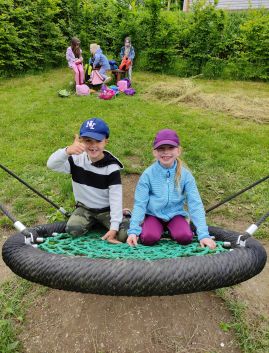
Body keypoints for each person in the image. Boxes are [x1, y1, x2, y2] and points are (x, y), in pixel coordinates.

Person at [127, 129, 216, 249]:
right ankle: (148, 226)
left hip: (175, 215)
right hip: (153, 215)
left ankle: (175, 229)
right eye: (161, 149)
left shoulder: (186, 175)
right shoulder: (148, 175)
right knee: (148, 238)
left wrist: (204, 235)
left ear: (178, 151)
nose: (166, 152)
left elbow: (195, 203)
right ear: (154, 152)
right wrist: (133, 231)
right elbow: (140, 204)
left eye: (170, 148)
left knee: (185, 237)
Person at [47, 118, 129, 243]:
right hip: (85, 208)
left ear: (106, 141)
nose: (93, 145)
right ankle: (95, 223)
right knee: (73, 230)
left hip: (107, 210)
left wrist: (114, 227)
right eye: (88, 141)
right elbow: (51, 164)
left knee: (124, 235)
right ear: (81, 141)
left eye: (98, 141)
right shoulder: (76, 160)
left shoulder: (112, 167)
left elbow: (115, 199)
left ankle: (124, 216)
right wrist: (67, 151)